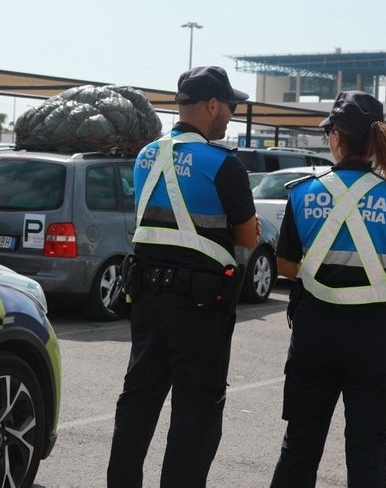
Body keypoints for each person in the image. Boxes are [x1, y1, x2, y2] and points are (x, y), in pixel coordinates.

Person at [270, 91, 386, 488]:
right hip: (374, 338)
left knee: (301, 445)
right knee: (368, 449)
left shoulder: (302, 192)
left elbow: (286, 266)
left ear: (337, 137)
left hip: (314, 333)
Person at [107, 65, 260, 488]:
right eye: (229, 106)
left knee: (137, 405)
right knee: (195, 418)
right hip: (199, 307)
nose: (230, 114)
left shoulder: (146, 155)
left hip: (147, 300)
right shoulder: (224, 164)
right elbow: (248, 236)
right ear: (212, 106)